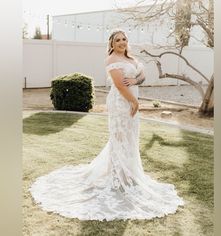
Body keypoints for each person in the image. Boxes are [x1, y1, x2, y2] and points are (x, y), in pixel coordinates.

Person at [29, 29, 184, 221]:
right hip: (121, 103)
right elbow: (120, 85)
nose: (121, 42)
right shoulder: (111, 60)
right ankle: (119, 176)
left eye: (124, 39)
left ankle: (128, 173)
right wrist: (134, 102)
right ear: (111, 44)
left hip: (132, 100)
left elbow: (143, 76)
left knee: (130, 137)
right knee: (119, 137)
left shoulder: (132, 59)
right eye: (117, 40)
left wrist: (135, 80)